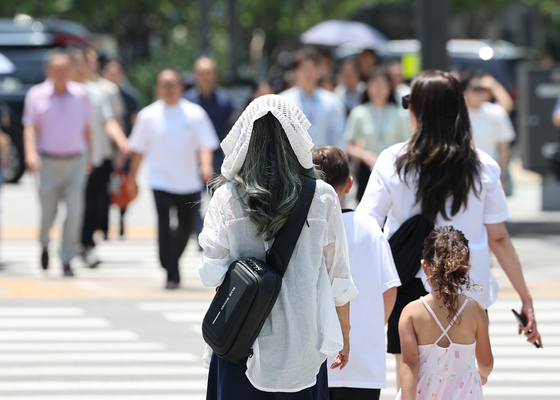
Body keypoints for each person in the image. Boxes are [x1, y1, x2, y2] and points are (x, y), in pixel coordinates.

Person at [356, 70, 542, 389]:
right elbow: (498, 237)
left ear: (418, 110)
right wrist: (526, 299)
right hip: (466, 283)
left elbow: (366, 226)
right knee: (466, 375)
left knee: (410, 374)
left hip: (411, 280)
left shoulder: (393, 161)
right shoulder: (482, 165)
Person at [199, 94, 358, 398]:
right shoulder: (322, 196)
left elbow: (212, 274)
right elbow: (339, 278)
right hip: (302, 347)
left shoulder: (227, 196)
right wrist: (344, 333)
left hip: (239, 343)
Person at [312, 145, 400, 400]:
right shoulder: (368, 227)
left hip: (314, 358)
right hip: (364, 360)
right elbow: (390, 287)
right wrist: (371, 325)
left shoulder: (305, 226)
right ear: (349, 184)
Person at [127, 68, 219, 289]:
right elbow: (138, 150)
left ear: (181, 86)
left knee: (186, 227)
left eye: (172, 84)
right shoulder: (148, 116)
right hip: (160, 181)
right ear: (157, 88)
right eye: (164, 85)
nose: (168, 89)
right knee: (164, 226)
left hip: (188, 182)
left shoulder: (194, 114)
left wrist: (205, 165)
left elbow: (205, 143)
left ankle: (170, 259)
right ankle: (171, 271)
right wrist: (132, 178)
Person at [398, 226, 493, 400]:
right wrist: (482, 374)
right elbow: (486, 363)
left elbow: (409, 364)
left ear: (424, 266)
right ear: (465, 269)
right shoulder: (476, 311)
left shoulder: (411, 313)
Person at [22, 49, 92, 277]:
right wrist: (30, 153)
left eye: (65, 68)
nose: (61, 73)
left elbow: (87, 127)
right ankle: (44, 245)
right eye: (56, 69)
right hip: (48, 162)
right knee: (47, 215)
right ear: (48, 70)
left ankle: (66, 258)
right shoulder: (36, 94)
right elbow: (30, 127)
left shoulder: (81, 94)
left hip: (75, 161)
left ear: (71, 69)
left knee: (74, 212)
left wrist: (90, 155)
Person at [70, 49, 129, 268]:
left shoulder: (98, 92)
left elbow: (109, 120)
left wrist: (122, 142)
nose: (81, 67)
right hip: (73, 158)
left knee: (94, 204)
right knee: (76, 205)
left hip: (99, 156)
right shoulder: (64, 91)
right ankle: (76, 244)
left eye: (84, 63)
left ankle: (85, 244)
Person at [345, 68, 409, 201]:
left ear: (390, 87)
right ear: (367, 87)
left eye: (382, 84)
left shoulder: (399, 114)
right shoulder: (359, 112)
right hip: (367, 169)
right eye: (374, 83)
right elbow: (348, 145)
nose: (378, 88)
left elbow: (407, 142)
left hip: (393, 169)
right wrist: (364, 155)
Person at [102, 59, 141, 237]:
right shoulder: (99, 94)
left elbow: (135, 123)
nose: (113, 76)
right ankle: (103, 225)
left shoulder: (130, 97)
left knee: (123, 184)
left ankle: (122, 221)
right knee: (104, 188)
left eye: (116, 72)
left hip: (125, 147)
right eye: (110, 72)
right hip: (104, 147)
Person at [460, 70, 516, 194]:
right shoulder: (457, 114)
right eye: (476, 88)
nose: (480, 92)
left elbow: (503, 148)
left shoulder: (495, 113)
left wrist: (503, 176)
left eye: (483, 89)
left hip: (489, 176)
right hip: (462, 177)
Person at [280, 47, 347, 149]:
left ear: (319, 71)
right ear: (294, 72)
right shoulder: (283, 101)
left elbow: (339, 138)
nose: (309, 73)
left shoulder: (332, 102)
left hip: (325, 161)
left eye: (313, 68)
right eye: (304, 68)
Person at [183, 56, 234, 176]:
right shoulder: (186, 101)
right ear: (195, 75)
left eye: (209, 73)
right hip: (191, 155)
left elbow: (231, 127)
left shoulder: (224, 100)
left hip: (218, 155)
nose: (206, 77)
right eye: (202, 73)